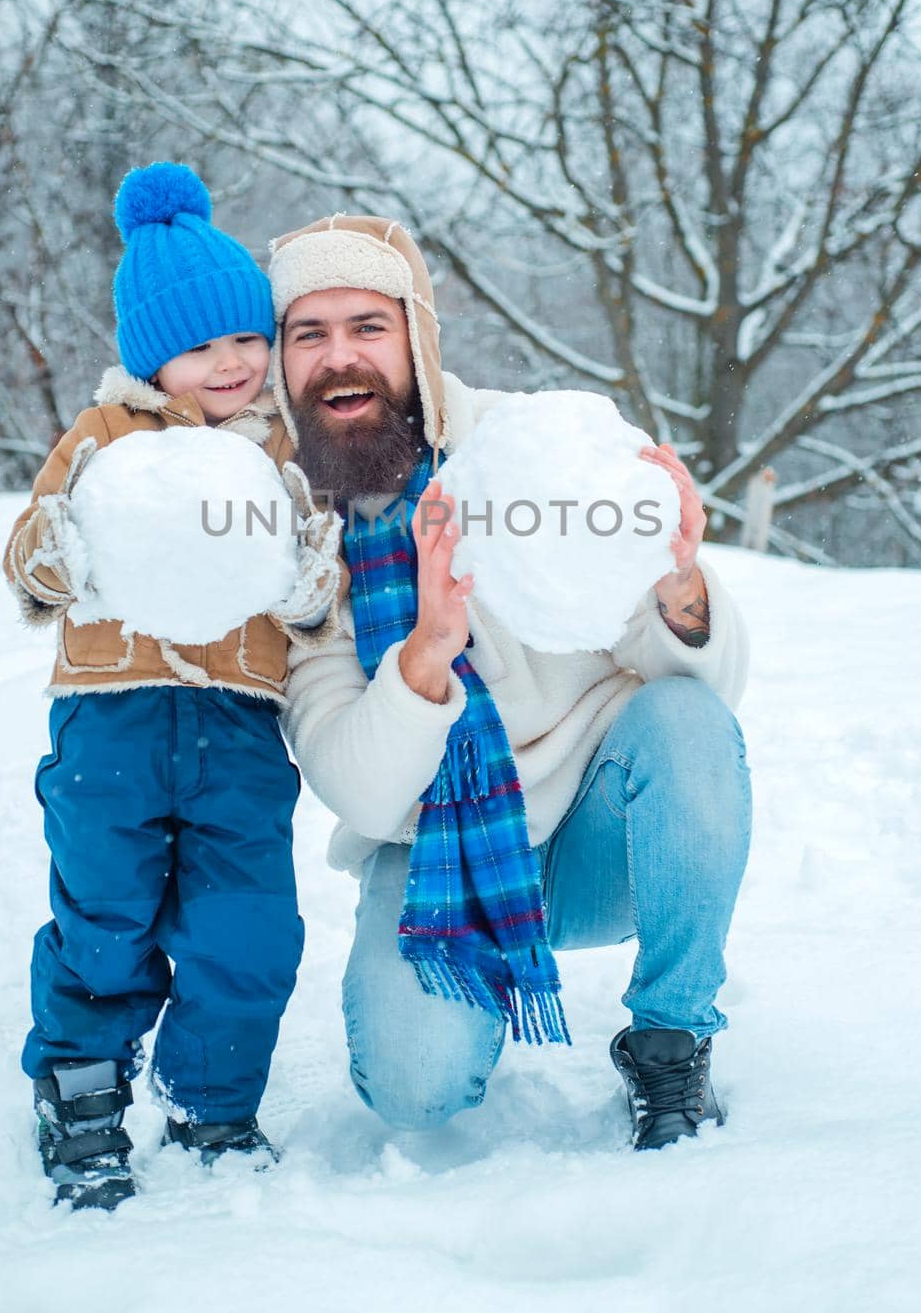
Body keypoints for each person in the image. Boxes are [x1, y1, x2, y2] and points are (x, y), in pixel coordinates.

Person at [269, 213, 752, 1151]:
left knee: (685, 721)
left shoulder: (525, 454)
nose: (340, 358)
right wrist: (429, 644)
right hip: (435, 855)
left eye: (368, 326)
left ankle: (670, 1039)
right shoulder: (294, 538)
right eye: (308, 333)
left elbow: (708, 699)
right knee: (414, 1089)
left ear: (415, 335)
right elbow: (361, 790)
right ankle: (463, 1000)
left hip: (599, 835)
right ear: (285, 361)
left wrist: (677, 583)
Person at [4, 163, 340, 1210]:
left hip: (241, 725)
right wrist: (58, 552)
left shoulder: (281, 455)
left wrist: (306, 581)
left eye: (247, 340)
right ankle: (84, 1088)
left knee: (248, 924)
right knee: (105, 909)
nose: (232, 363)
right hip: (113, 718)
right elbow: (30, 550)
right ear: (155, 353)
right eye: (202, 345)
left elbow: (315, 579)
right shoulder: (107, 441)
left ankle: (214, 1096)